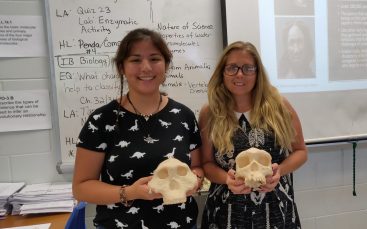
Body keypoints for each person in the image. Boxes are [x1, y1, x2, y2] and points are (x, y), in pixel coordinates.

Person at [72, 28, 203, 229]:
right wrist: (131, 192)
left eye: (154, 59)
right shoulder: (101, 120)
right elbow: (81, 188)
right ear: (122, 67)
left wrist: (196, 181)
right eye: (135, 60)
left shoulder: (184, 116)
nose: (146, 67)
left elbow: (197, 167)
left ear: (166, 65)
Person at [199, 41, 308, 228]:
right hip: (226, 214)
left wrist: (279, 171)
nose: (240, 74)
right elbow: (206, 164)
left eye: (248, 68)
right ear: (222, 73)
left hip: (276, 211)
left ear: (257, 73)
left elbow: (300, 152)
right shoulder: (211, 112)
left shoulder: (279, 106)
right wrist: (227, 179)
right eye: (232, 68)